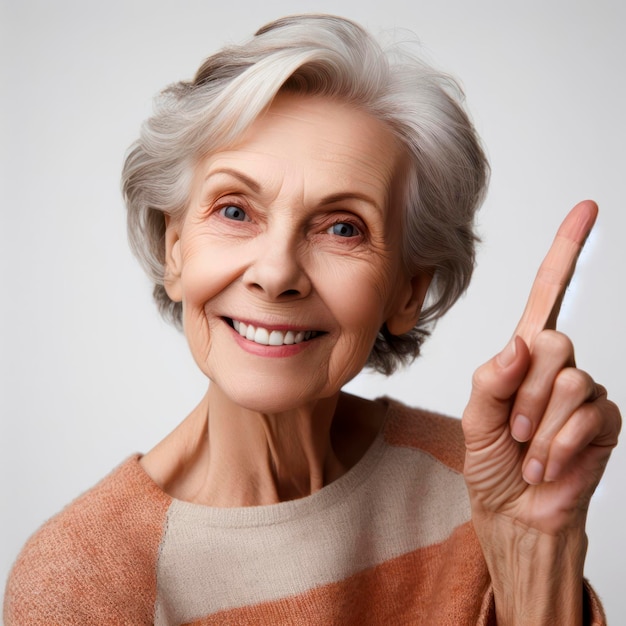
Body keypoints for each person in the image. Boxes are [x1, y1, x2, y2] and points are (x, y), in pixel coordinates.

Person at [4, 14, 621, 625]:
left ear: (408, 290)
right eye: (235, 210)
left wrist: (538, 554)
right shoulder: (80, 578)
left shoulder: (483, 484)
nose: (276, 274)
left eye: (343, 227)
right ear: (175, 250)